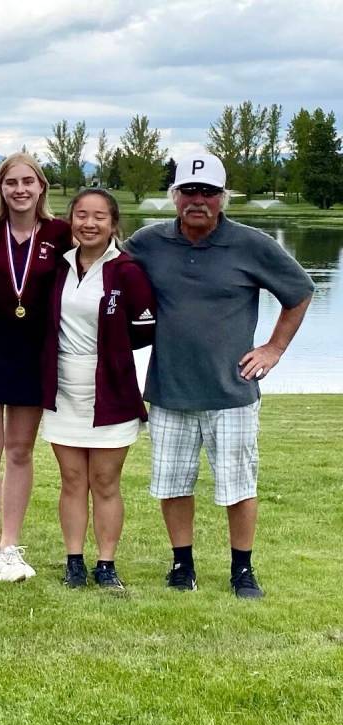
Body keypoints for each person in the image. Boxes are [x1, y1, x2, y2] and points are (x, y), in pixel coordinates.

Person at [124, 153, 314, 599]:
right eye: (188, 191)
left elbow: (301, 291)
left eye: (208, 192)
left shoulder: (252, 244)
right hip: (170, 389)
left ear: (222, 197)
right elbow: (107, 272)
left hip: (232, 391)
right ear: (174, 196)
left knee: (238, 486)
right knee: (172, 483)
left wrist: (274, 348)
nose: (198, 200)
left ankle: (242, 570)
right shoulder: (148, 242)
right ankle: (181, 565)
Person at [0, 152, 72, 582]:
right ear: (1, 188)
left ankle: (11, 543)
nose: (21, 189)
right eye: (12, 183)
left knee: (21, 451)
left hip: (35, 348)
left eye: (29, 181)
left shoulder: (61, 233)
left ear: (41, 186)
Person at [40, 189, 155, 590]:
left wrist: (114, 353)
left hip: (112, 390)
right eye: (82, 215)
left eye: (99, 217)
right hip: (63, 390)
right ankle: (74, 561)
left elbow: (145, 329)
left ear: (113, 224)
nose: (89, 223)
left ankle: (106, 563)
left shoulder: (128, 270)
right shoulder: (59, 266)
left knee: (105, 482)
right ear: (70, 219)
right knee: (72, 480)